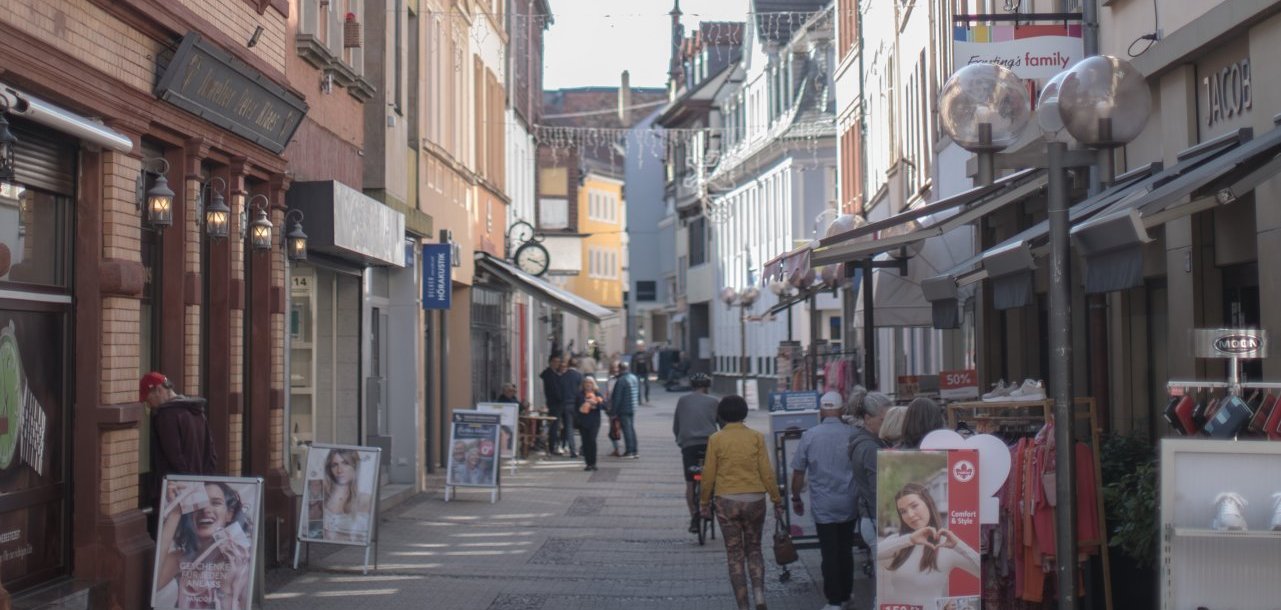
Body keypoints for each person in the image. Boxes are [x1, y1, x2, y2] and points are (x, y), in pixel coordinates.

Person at [700, 395, 784, 610]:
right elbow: (766, 471)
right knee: (754, 548)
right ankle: (759, 596)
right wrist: (776, 499)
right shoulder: (755, 437)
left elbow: (708, 473)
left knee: (734, 553)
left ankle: (743, 606)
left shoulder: (716, 439)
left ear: (721, 415)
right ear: (744, 413)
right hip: (755, 499)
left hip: (726, 500)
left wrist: (703, 501)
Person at [789, 392, 858, 610]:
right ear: (841, 409)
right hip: (849, 501)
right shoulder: (853, 434)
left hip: (823, 504)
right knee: (845, 549)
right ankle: (846, 594)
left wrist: (796, 496)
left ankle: (834, 600)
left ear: (821, 410)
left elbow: (798, 472)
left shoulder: (810, 435)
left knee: (829, 552)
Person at [877, 482, 980, 609]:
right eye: (903, 511)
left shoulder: (947, 545)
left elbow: (982, 571)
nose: (910, 515)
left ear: (928, 504)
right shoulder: (900, 541)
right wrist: (910, 539)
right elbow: (875, 554)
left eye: (914, 506)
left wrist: (959, 545)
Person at [155, 481, 253, 609]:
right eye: (199, 504)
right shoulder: (181, 559)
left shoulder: (241, 557)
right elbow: (154, 585)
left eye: (216, 503)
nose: (206, 510)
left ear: (229, 514)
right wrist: (176, 512)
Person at [140, 372, 218, 522]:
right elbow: (211, 452)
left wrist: (188, 483)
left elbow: (174, 455)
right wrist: (204, 483)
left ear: (159, 390)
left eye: (148, 399)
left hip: (177, 492)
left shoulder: (166, 416)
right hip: (199, 487)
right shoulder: (196, 411)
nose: (148, 404)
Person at [673, 372, 719, 533]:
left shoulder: (682, 400)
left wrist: (681, 442)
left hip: (689, 445)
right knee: (713, 478)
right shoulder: (714, 401)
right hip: (710, 445)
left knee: (691, 483)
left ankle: (694, 516)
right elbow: (722, 425)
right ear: (707, 386)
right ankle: (712, 504)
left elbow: (676, 425)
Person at [848, 391, 893, 554]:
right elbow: (878, 490)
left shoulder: (869, 441)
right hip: (876, 520)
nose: (887, 424)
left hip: (872, 518)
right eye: (883, 420)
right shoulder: (870, 448)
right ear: (867, 418)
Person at [321, 448, 372, 542]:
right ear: (329, 469)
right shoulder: (322, 497)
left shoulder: (365, 499)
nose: (339, 470)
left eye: (345, 463)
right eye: (334, 465)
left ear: (355, 466)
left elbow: (365, 537)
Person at [610, 361, 641, 458]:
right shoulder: (634, 377)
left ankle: (630, 451)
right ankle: (635, 450)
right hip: (632, 407)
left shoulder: (621, 380)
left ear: (619, 369)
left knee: (627, 430)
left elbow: (617, 398)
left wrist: (613, 412)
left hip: (624, 408)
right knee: (631, 429)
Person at [576, 377, 607, 471]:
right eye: (586, 383)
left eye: (590, 383)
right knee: (585, 443)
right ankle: (588, 463)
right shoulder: (580, 395)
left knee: (592, 441)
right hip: (583, 422)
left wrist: (596, 404)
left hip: (594, 422)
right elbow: (575, 407)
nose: (588, 384)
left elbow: (604, 406)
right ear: (583, 385)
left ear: (593, 384)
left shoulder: (597, 394)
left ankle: (593, 463)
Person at [558, 357, 584, 458]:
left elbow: (560, 392)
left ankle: (572, 450)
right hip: (576, 405)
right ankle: (582, 448)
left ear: (568, 365)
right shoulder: (579, 376)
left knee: (569, 427)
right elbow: (581, 391)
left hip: (565, 405)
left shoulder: (563, 376)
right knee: (582, 428)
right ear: (577, 365)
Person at [539, 355, 565, 455]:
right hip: (554, 403)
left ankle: (553, 445)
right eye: (555, 361)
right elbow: (554, 390)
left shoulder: (555, 373)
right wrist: (561, 399)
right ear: (550, 362)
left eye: (558, 362)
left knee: (556, 426)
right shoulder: (549, 375)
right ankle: (552, 447)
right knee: (554, 425)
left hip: (556, 403)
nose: (557, 364)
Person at [605, 362, 624, 457]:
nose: (615, 369)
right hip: (611, 407)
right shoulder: (610, 380)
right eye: (613, 367)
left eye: (616, 367)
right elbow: (608, 394)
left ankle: (620, 449)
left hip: (619, 408)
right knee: (613, 430)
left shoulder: (621, 380)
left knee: (617, 429)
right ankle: (616, 449)